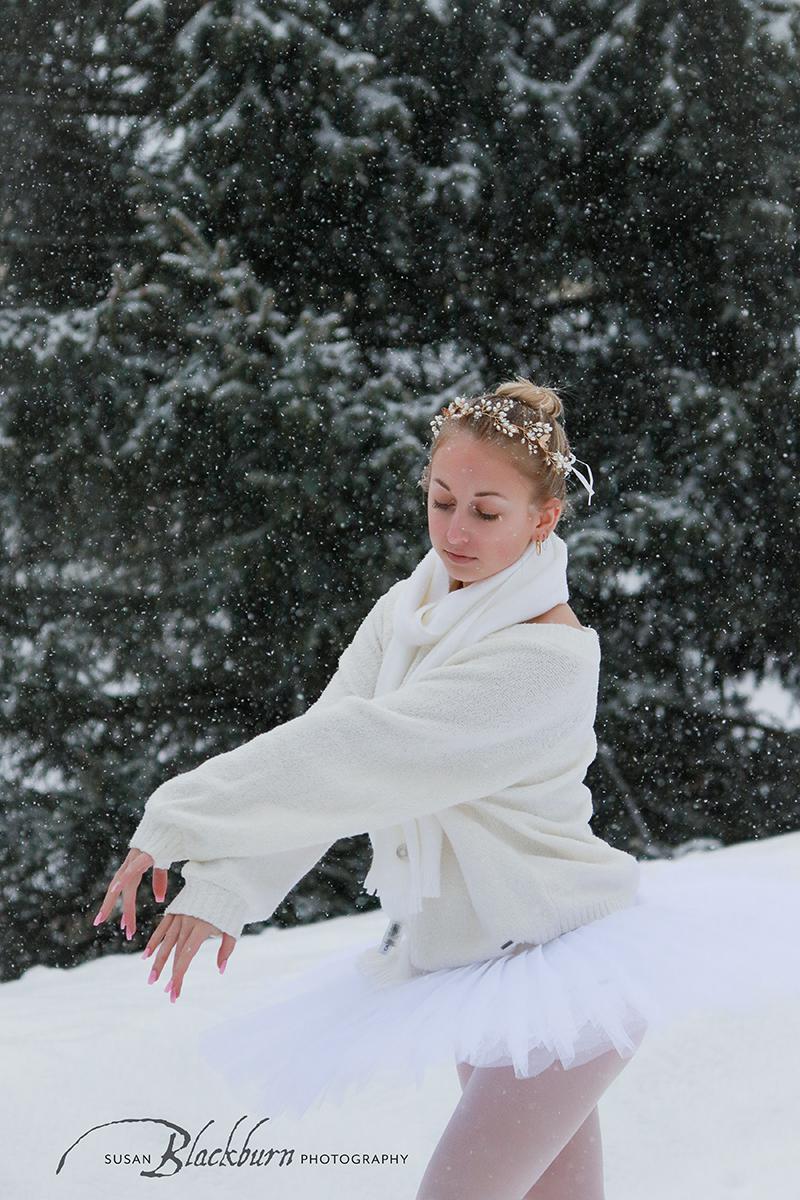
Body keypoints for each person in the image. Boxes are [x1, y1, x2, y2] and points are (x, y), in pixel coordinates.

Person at [93, 377, 800, 1199]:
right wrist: (225, 885)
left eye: (487, 511)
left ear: (544, 519)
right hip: (474, 967)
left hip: (561, 962)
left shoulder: (544, 662)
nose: (455, 531)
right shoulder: (411, 607)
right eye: (441, 501)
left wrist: (180, 817)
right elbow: (333, 737)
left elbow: (363, 754)